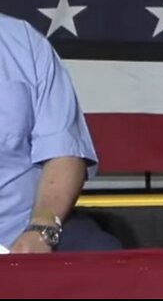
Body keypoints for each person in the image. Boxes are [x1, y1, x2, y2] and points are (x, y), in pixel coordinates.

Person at [0, 13, 120, 253]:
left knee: (100, 252)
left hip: (24, 230)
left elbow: (65, 154)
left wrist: (41, 230)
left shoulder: (23, 42)